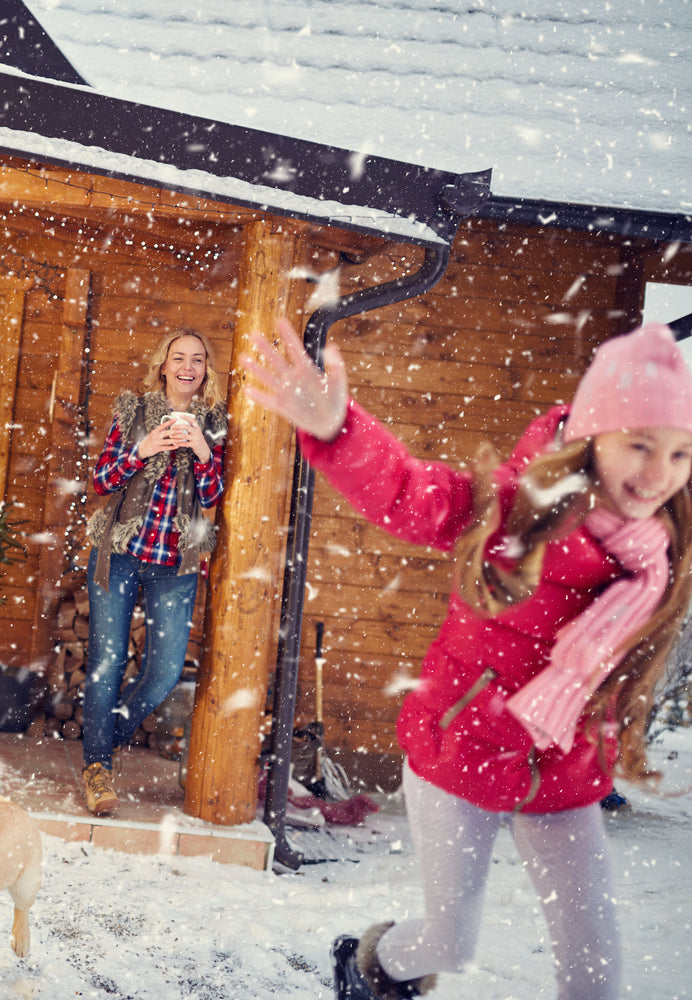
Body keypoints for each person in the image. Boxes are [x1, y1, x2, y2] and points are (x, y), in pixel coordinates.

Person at [242, 321, 692, 1000]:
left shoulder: (660, 553)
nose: (660, 474)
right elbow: (411, 493)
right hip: (462, 749)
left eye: (682, 453)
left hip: (562, 770)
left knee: (596, 974)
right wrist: (338, 430)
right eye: (639, 446)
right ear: (593, 436)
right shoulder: (516, 508)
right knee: (450, 943)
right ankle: (367, 968)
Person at [79, 329, 227, 816]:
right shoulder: (133, 412)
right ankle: (98, 767)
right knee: (107, 662)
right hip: (119, 555)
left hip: (175, 565)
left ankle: (107, 734)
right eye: (178, 358)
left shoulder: (216, 423)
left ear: (206, 370)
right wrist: (142, 449)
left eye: (198, 359)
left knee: (163, 673)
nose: (188, 366)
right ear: (162, 365)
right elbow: (101, 480)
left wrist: (203, 453)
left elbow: (214, 500)